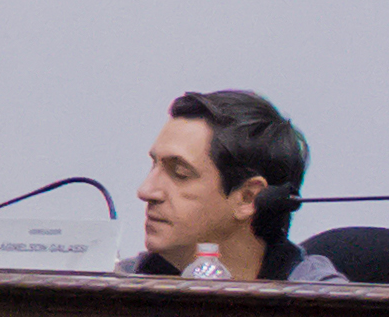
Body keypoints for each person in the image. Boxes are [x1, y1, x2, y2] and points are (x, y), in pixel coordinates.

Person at [131, 89, 338, 283]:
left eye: (180, 174)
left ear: (248, 198)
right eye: (154, 166)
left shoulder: (328, 309)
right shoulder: (117, 288)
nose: (146, 191)